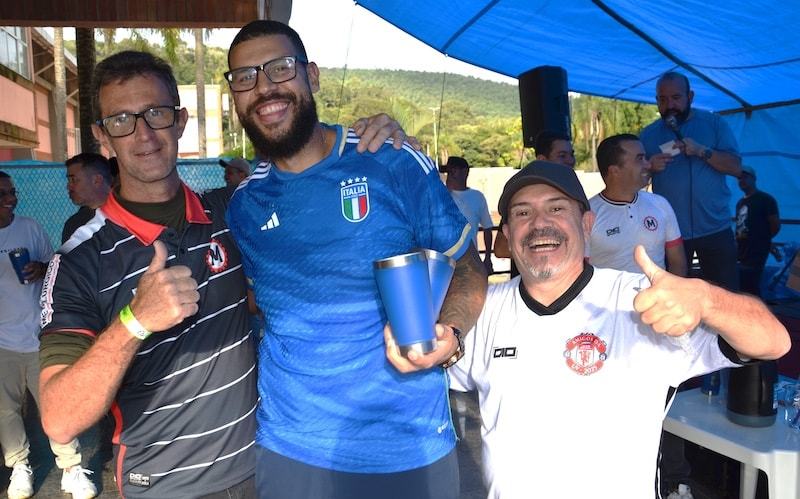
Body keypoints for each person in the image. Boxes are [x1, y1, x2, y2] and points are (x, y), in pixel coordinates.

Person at [37, 50, 413, 499]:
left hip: (268, 466)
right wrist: (134, 322)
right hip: (165, 487)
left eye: (156, 114)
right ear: (102, 135)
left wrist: (367, 140)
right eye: (122, 120)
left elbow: (307, 172)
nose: (143, 134)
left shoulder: (232, 212)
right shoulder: (79, 259)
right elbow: (59, 419)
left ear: (180, 121)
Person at [225, 20, 487, 499]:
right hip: (291, 447)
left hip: (409, 442)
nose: (263, 88)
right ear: (235, 97)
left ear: (312, 76)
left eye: (280, 68)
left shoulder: (391, 160)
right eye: (245, 78)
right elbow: (260, 302)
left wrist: (450, 333)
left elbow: (466, 265)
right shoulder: (244, 206)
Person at [447, 160, 790, 498]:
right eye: (523, 213)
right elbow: (431, 368)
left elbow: (772, 341)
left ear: (587, 224)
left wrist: (707, 300)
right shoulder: (480, 310)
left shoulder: (641, 300)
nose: (539, 223)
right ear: (508, 235)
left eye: (556, 208)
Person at [0, 172, 97, 499]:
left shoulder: (29, 228)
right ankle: (19, 466)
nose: (11, 199)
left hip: (39, 336)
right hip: (2, 341)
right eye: (2, 194)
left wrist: (41, 268)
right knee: (6, 409)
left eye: (12, 192)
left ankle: (71, 468)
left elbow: (55, 266)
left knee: (55, 404)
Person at [640, 71, 742, 291]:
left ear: (690, 96)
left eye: (676, 97)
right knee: (672, 295)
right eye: (663, 99)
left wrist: (702, 151)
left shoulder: (714, 124)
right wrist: (648, 168)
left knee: (725, 295)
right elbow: (634, 185)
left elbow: (735, 167)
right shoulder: (647, 135)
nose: (670, 105)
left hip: (716, 229)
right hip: (670, 233)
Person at [589, 133, 687, 276]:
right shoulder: (587, 214)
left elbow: (678, 263)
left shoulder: (660, 204)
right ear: (614, 171)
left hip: (659, 291)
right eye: (640, 159)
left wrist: (671, 290)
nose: (648, 164)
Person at [735, 165, 780, 297]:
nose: (741, 180)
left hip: (757, 250)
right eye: (739, 178)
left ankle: (757, 307)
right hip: (741, 249)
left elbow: (775, 225)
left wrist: (764, 240)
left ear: (754, 179)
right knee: (742, 284)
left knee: (751, 285)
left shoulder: (766, 199)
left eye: (745, 177)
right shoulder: (740, 203)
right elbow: (740, 225)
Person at [445, 156, 494, 273]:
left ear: (465, 172)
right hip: (444, 260)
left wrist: (488, 257)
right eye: (448, 171)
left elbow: (487, 228)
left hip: (470, 260)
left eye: (454, 170)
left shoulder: (477, 197)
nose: (450, 174)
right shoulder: (440, 195)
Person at [61, 153, 113, 244]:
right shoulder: (74, 224)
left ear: (97, 180)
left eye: (73, 180)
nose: (68, 186)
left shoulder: (128, 213)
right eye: (69, 181)